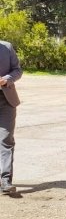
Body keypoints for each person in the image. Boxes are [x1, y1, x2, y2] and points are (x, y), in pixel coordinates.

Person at [0, 40, 22, 195]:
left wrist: (8, 78)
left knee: (6, 139)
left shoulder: (7, 47)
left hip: (7, 101)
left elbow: (17, 70)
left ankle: (6, 181)